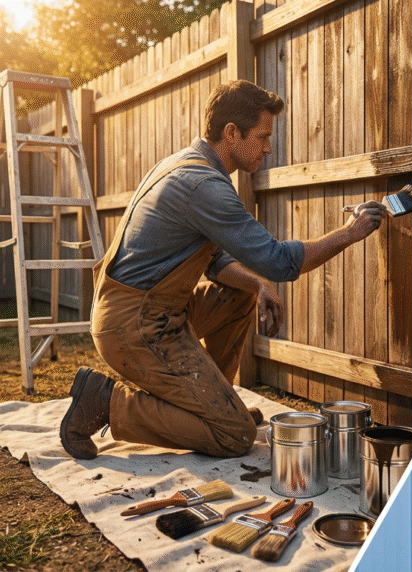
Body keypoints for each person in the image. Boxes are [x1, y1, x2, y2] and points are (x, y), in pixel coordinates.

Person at [59, 80, 386, 460]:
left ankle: (215, 402)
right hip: (134, 326)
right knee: (234, 436)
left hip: (153, 311)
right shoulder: (203, 185)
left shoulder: (183, 163)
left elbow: (212, 261)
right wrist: (350, 233)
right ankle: (104, 401)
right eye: (262, 137)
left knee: (242, 293)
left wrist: (257, 284)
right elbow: (280, 261)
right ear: (232, 133)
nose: (269, 147)